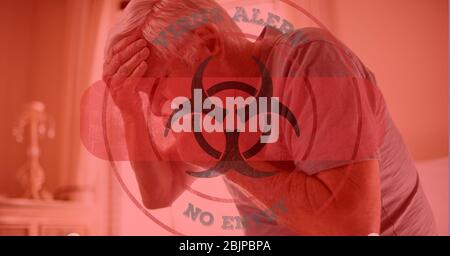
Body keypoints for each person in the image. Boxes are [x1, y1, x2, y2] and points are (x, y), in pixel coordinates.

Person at [102, 0, 437, 235]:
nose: (160, 109)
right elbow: (159, 193)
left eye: (159, 86)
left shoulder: (311, 61)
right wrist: (131, 111)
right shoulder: (216, 107)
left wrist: (228, 160)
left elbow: (353, 228)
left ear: (206, 43)